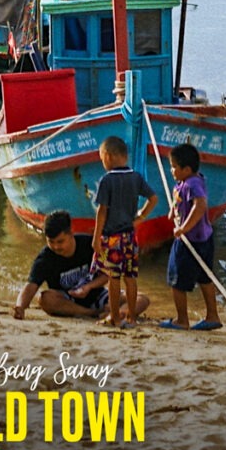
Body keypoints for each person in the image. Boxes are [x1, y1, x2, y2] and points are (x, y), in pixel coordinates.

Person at [13, 210, 149, 320]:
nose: (56, 247)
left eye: (60, 242)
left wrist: (89, 287)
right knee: (44, 298)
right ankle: (91, 314)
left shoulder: (89, 245)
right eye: (51, 242)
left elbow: (109, 273)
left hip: (96, 294)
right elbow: (31, 285)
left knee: (142, 299)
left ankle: (117, 314)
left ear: (71, 233)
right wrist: (20, 307)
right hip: (66, 300)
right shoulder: (45, 258)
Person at [91, 136, 158, 328]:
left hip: (112, 237)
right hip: (130, 236)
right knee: (130, 277)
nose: (102, 162)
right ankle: (132, 317)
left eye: (102, 158)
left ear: (109, 156)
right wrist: (141, 217)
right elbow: (153, 198)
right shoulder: (136, 177)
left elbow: (102, 211)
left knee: (113, 278)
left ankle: (115, 317)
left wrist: (96, 237)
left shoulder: (107, 180)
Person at [159, 142, 222, 331]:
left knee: (176, 279)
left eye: (174, 166)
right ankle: (212, 315)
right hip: (204, 240)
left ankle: (182, 320)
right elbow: (180, 199)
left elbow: (200, 205)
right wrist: (173, 211)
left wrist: (183, 228)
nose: (171, 170)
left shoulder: (193, 183)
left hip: (190, 241)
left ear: (186, 169)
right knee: (204, 277)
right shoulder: (185, 182)